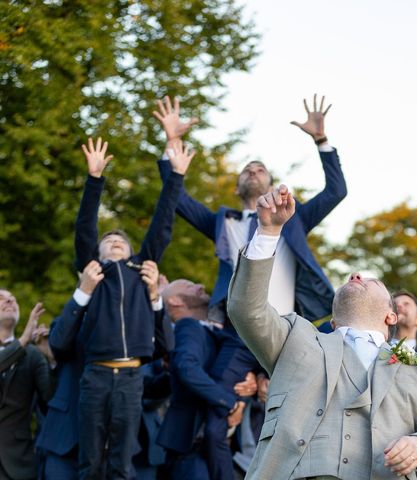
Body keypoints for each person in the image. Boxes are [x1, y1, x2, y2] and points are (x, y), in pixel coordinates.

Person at [226, 185, 417, 479]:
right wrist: (268, 231)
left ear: (391, 315)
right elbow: (246, 309)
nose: (355, 275)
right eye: (349, 278)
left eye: (371, 280)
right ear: (333, 322)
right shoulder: (296, 338)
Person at [153, 94, 347, 323]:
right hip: (236, 328)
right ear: (236, 189)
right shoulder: (223, 223)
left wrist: (321, 140)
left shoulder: (294, 217)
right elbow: (177, 199)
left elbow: (336, 191)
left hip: (285, 327)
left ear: (272, 185)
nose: (253, 172)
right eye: (247, 170)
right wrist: (172, 142)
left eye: (260, 170)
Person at [74, 137, 193, 479]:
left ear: (129, 252)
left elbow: (162, 224)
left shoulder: (143, 271)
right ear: (98, 253)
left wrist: (176, 176)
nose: (115, 241)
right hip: (95, 375)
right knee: (90, 463)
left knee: (122, 464)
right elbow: (84, 228)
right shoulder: (93, 274)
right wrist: (95, 178)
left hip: (130, 377)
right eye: (108, 240)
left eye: (121, 241)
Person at [37, 260, 169, 479]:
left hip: (127, 442)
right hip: (68, 440)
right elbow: (59, 344)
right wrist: (84, 290)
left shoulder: (141, 326)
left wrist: (155, 296)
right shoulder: (75, 317)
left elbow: (157, 372)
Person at [158, 278, 257, 479]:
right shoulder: (188, 326)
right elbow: (187, 368)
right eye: (189, 285)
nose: (201, 286)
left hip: (208, 447)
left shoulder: (211, 331)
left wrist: (253, 380)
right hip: (194, 444)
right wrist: (230, 404)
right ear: (175, 301)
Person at [0, 290, 52, 480]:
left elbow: (50, 400)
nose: (9, 299)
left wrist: (51, 357)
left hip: (18, 462)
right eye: (1, 298)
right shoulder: (24, 346)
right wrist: (22, 341)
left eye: (13, 299)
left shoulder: (32, 355)